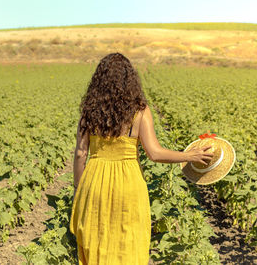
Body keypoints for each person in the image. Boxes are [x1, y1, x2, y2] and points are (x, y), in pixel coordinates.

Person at [69, 52, 213, 265]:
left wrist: (80, 189)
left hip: (95, 181)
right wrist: (188, 155)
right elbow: (154, 153)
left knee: (97, 236)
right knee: (129, 239)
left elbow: (81, 153)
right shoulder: (140, 111)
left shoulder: (89, 112)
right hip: (129, 182)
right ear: (130, 80)